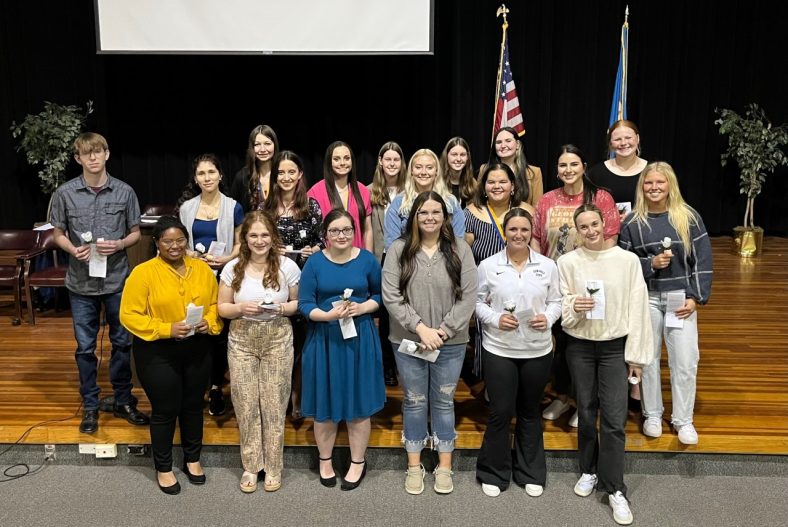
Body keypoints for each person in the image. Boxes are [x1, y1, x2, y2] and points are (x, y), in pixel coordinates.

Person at [557, 204, 653, 526]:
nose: (590, 231)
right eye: (583, 227)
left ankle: (615, 488)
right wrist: (574, 305)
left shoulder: (627, 262)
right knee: (585, 411)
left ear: (605, 223)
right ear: (576, 230)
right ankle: (588, 469)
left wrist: (636, 359)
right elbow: (563, 302)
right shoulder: (567, 262)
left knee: (613, 417)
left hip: (614, 348)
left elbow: (639, 308)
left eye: (594, 224)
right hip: (581, 347)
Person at [50, 132, 148, 434]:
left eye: (98, 152)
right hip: (80, 284)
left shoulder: (125, 192)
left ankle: (122, 400)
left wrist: (119, 244)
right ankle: (90, 406)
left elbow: (135, 233)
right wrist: (71, 249)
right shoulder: (64, 193)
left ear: (106, 154)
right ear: (78, 159)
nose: (92, 158)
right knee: (84, 348)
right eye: (86, 154)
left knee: (122, 343)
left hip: (117, 280)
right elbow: (58, 234)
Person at [382, 191, 477, 495]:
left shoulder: (460, 249)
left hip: (450, 343)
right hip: (409, 342)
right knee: (414, 401)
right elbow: (391, 296)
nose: (430, 218)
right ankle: (414, 465)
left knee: (443, 401)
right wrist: (421, 329)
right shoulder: (398, 250)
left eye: (436, 212)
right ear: (414, 217)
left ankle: (444, 466)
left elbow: (469, 296)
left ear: (445, 217)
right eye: (423, 212)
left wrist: (443, 331)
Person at [120, 216, 223, 495]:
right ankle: (163, 467)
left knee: (192, 406)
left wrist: (209, 323)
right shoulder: (143, 273)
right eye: (167, 241)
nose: (174, 246)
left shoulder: (201, 269)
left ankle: (193, 459)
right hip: (157, 352)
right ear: (156, 243)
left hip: (197, 347)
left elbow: (215, 304)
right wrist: (166, 329)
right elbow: (128, 315)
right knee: (165, 410)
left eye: (180, 240)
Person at [619, 162, 713, 445]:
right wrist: (651, 263)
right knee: (646, 359)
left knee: (684, 361)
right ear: (642, 187)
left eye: (660, 182)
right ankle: (652, 414)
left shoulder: (688, 217)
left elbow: (703, 261)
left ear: (670, 184)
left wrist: (695, 297)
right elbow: (624, 264)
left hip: (679, 300)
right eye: (649, 183)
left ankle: (683, 420)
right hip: (647, 298)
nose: (654, 188)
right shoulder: (633, 222)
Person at [475, 208, 561, 498]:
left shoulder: (548, 266)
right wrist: (495, 318)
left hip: (537, 350)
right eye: (513, 229)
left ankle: (531, 472)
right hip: (499, 348)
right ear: (505, 231)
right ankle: (493, 471)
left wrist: (548, 318)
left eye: (525, 229)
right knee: (500, 412)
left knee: (529, 411)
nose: (519, 235)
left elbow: (556, 301)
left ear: (531, 231)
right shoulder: (488, 266)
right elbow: (476, 302)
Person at [533, 144, 620, 428]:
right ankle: (561, 396)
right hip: (555, 282)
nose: (567, 170)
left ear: (584, 166)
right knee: (559, 345)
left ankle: (583, 402)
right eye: (562, 166)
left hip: (587, 282)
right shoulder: (546, 200)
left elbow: (609, 239)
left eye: (573, 164)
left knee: (582, 344)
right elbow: (536, 238)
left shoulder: (601, 198)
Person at [298, 209, 385, 491]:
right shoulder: (314, 263)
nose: (341, 235)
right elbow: (304, 304)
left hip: (360, 338)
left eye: (347, 229)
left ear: (354, 231)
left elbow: (379, 296)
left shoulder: (367, 260)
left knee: (359, 405)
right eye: (335, 231)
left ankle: (357, 461)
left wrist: (363, 308)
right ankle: (325, 459)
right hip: (324, 339)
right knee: (325, 403)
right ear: (325, 235)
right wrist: (327, 315)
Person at [218, 211, 301, 493]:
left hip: (277, 336)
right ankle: (252, 465)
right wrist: (241, 308)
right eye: (253, 235)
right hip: (242, 338)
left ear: (273, 237)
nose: (259, 240)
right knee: (245, 403)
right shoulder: (232, 269)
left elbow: (297, 303)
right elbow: (222, 308)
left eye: (264, 235)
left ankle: (274, 466)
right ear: (245, 239)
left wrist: (279, 308)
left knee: (274, 404)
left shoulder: (288, 266)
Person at [177, 153, 244, 416]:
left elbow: (241, 243)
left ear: (220, 175)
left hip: (225, 275)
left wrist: (226, 257)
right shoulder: (186, 208)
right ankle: (196, 387)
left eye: (211, 172)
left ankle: (217, 386)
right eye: (201, 173)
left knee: (219, 334)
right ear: (195, 178)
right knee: (196, 330)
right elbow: (180, 243)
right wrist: (190, 254)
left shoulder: (233, 206)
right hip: (195, 276)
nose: (207, 178)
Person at [264, 151, 323, 420]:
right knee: (278, 340)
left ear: (300, 174)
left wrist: (314, 248)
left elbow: (324, 240)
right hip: (272, 280)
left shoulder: (311, 206)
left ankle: (298, 395)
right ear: (274, 177)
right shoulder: (265, 208)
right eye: (281, 173)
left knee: (301, 341)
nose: (286, 178)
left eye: (291, 172)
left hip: (304, 278)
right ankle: (279, 396)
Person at [368, 141, 407, 386]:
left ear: (402, 163)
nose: (392, 164)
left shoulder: (410, 190)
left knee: (402, 313)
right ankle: (387, 365)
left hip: (406, 258)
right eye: (387, 159)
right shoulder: (369, 190)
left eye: (396, 160)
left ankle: (404, 361)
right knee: (384, 314)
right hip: (379, 259)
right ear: (380, 162)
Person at [383, 149, 465, 250]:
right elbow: (392, 245)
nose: (423, 172)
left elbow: (458, 243)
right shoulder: (399, 202)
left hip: (443, 261)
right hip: (407, 262)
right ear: (411, 171)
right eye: (418, 167)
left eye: (429, 168)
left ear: (436, 171)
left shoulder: (451, 203)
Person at [464, 162, 535, 264]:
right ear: (484, 187)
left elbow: (536, 250)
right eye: (491, 182)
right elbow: (462, 256)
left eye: (502, 182)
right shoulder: (470, 214)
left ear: (512, 186)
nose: (496, 186)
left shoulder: (528, 212)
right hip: (484, 277)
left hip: (521, 276)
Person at [308, 141, 373, 251]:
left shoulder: (363, 191)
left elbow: (367, 229)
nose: (342, 163)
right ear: (329, 162)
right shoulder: (315, 192)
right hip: (328, 258)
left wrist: (368, 259)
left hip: (357, 258)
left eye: (347, 158)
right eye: (336, 159)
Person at [588, 120, 648, 220]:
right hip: (606, 233)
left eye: (628, 138)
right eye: (617, 139)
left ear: (637, 139)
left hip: (644, 233)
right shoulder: (596, 173)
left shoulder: (652, 171)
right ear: (610, 143)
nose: (623, 143)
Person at [486, 127, 543, 206]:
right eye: (498, 142)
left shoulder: (534, 172)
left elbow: (537, 208)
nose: (503, 145)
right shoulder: (485, 169)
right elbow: (478, 199)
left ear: (518, 145)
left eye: (508, 141)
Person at [230, 124, 279, 212]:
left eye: (267, 144)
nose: (263, 149)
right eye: (257, 144)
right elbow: (233, 211)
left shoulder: (282, 174)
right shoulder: (242, 177)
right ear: (252, 148)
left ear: (275, 145)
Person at [439, 137, 476, 208]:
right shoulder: (437, 182)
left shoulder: (473, 183)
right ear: (446, 156)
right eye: (454, 154)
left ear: (467, 157)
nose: (458, 159)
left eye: (462, 155)